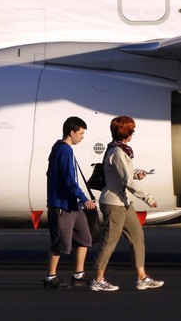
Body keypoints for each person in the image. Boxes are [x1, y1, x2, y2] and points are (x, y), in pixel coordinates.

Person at [91, 115, 163, 291]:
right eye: (131, 130)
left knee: (137, 236)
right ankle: (98, 280)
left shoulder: (121, 150)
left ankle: (142, 277)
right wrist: (148, 198)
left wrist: (136, 173)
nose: (133, 133)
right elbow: (127, 181)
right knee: (110, 241)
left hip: (123, 202)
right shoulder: (117, 152)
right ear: (125, 132)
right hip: (114, 203)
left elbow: (126, 176)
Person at [44, 116, 97, 289]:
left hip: (72, 205)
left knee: (84, 238)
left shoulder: (61, 149)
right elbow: (68, 180)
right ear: (72, 132)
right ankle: (50, 277)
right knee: (60, 243)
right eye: (81, 133)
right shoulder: (64, 151)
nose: (82, 137)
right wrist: (84, 198)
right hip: (63, 205)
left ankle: (79, 275)